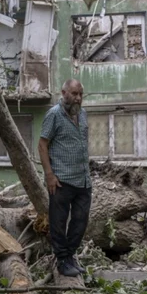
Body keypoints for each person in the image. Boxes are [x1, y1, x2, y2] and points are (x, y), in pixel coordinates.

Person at [38, 79, 91, 277]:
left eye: (80, 94)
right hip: (61, 180)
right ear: (64, 93)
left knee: (80, 220)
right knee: (58, 221)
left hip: (83, 180)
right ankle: (62, 259)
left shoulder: (83, 114)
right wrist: (49, 175)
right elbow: (42, 145)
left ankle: (70, 256)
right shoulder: (54, 115)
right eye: (74, 94)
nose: (78, 98)